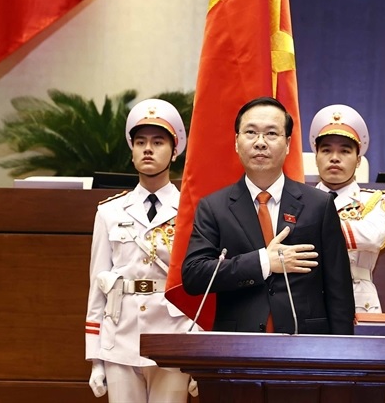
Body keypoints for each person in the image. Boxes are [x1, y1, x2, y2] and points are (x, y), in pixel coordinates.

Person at [181, 96, 355, 334]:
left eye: (271, 134)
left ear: (288, 144)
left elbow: (339, 292)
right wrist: (263, 262)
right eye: (251, 132)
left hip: (306, 346)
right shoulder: (214, 207)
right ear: (236, 141)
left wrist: (340, 358)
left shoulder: (319, 205)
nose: (260, 142)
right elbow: (194, 276)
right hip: (237, 346)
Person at [85, 99, 198, 402]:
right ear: (132, 151)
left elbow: (201, 285)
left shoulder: (192, 211)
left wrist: (200, 351)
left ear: (175, 151)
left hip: (174, 334)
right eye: (140, 142)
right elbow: (98, 286)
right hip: (120, 337)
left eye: (158, 142)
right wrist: (95, 357)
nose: (148, 149)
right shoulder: (109, 212)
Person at [309, 104, 385, 313]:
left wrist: (311, 229)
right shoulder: (298, 199)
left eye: (345, 151)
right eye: (326, 150)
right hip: (308, 298)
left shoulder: (375, 200)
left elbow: (373, 237)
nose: (334, 157)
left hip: (358, 302)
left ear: (357, 160)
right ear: (316, 157)